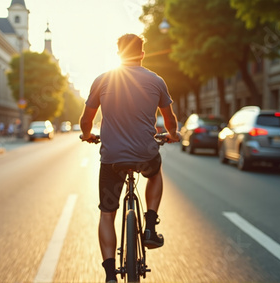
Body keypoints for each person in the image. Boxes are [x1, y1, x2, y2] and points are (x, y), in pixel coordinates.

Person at [79, 33, 180, 283]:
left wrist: (87, 135)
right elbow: (170, 119)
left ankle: (111, 275)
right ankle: (149, 226)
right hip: (145, 154)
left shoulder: (102, 80)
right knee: (155, 174)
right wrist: (173, 134)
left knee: (107, 214)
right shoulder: (156, 81)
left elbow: (86, 119)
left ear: (118, 54)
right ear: (142, 54)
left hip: (112, 158)